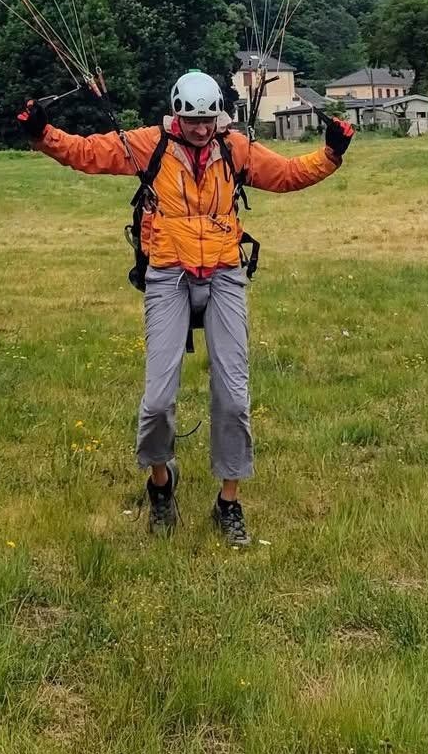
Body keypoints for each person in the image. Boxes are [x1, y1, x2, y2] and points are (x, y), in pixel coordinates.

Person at [20, 69, 352, 544]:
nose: (201, 128)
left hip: (222, 272)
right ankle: (161, 486)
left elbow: (286, 175)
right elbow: (88, 153)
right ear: (177, 114)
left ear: (218, 114)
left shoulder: (233, 147)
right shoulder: (149, 145)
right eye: (192, 120)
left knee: (234, 397)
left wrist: (332, 153)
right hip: (168, 272)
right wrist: (42, 134)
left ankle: (229, 502)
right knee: (156, 401)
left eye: (207, 119)